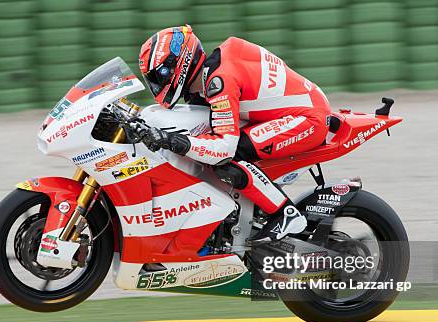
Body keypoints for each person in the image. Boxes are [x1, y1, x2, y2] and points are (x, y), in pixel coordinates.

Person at [135, 25, 331, 242]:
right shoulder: (211, 75)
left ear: (179, 65)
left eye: (160, 75)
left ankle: (285, 213)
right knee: (207, 147)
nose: (157, 84)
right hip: (294, 109)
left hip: (307, 119)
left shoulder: (219, 81)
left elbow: (224, 148)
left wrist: (173, 141)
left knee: (229, 157)